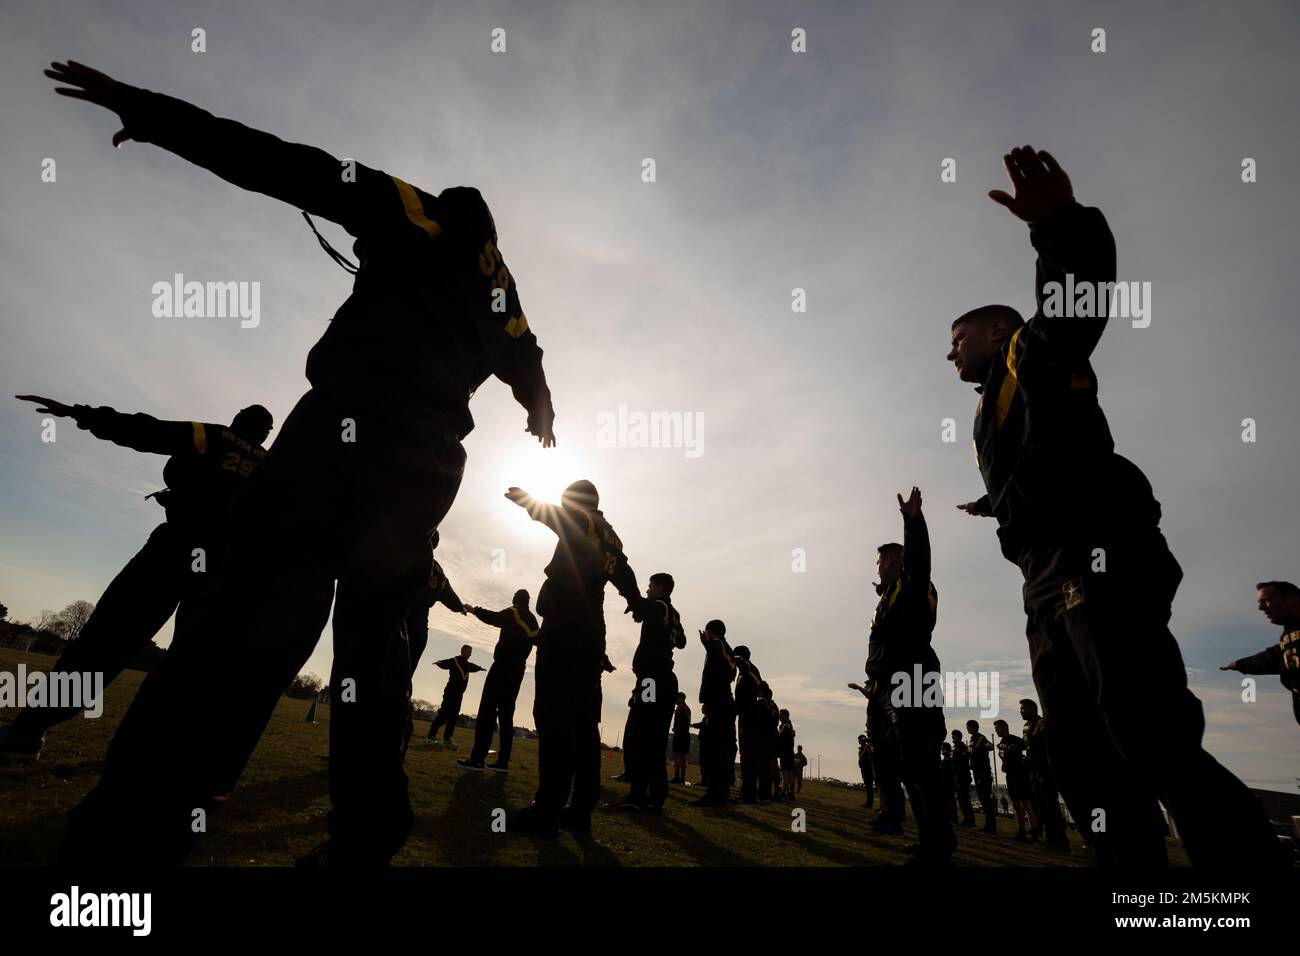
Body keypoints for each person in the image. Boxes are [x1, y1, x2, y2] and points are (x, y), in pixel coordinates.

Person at [46, 60, 556, 867]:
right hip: (428, 467)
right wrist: (540, 409)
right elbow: (528, 357)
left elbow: (286, 163)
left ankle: (131, 824)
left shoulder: (415, 210)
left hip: (346, 432)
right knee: (376, 654)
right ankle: (366, 835)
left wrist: (150, 113)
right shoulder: (502, 289)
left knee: (241, 614)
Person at [947, 144, 1282, 867]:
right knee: (1081, 755)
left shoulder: (1032, 353)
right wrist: (997, 501)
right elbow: (1040, 462)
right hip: (1042, 576)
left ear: (998, 330)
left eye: (958, 337)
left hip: (1096, 552)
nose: (950, 354)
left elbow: (1078, 299)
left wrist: (1060, 227)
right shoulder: (990, 412)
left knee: (1146, 729)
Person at [0, 397, 272, 764]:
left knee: (105, 640)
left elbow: (146, 430)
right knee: (194, 665)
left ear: (237, 420)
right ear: (267, 434)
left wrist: (81, 412)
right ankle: (153, 758)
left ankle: (27, 733)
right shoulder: (271, 466)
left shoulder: (210, 435)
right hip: (224, 569)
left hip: (175, 548)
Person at [503, 482, 639, 836]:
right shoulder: (610, 535)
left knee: (553, 717)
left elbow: (557, 517)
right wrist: (636, 600)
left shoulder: (581, 518)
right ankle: (580, 811)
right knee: (583, 725)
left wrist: (527, 502)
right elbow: (624, 571)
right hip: (593, 629)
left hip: (567, 622)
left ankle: (546, 810)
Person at [864, 487, 955, 864]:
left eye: (885, 562)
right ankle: (910, 827)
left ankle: (938, 844)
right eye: (880, 563)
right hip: (889, 682)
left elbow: (919, 563)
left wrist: (913, 522)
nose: (880, 567)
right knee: (896, 759)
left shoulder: (914, 584)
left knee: (920, 762)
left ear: (897, 562)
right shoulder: (888, 597)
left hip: (914, 677)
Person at [619, 573, 687, 812]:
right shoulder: (674, 614)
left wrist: (630, 596)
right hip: (665, 680)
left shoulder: (659, 606)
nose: (647, 589)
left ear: (659, 587)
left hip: (652, 681)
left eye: (650, 586)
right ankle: (656, 796)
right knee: (655, 741)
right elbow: (682, 642)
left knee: (641, 736)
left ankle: (638, 796)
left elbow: (643, 606)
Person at [456, 590, 539, 772]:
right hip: (518, 671)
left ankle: (478, 758)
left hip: (502, 667)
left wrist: (474, 610)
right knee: (506, 715)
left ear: (515, 599)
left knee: (487, 710)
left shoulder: (513, 612)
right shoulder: (533, 620)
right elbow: (539, 641)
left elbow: (494, 618)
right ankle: (503, 762)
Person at [398, 537, 466, 755]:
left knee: (380, 679)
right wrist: (460, 608)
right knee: (401, 682)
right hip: (420, 630)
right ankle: (399, 742)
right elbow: (450, 596)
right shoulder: (437, 570)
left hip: (401, 620)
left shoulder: (407, 556)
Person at [1220, 581, 1300, 727]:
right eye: (1259, 602)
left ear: (1292, 599)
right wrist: (1239, 664)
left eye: (1267, 600)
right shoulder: (1288, 636)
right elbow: (1271, 658)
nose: (1261, 607)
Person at [691, 620, 736, 808]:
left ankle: (714, 795)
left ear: (710, 631)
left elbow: (716, 660)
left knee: (715, 751)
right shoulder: (727, 649)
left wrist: (706, 644)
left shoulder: (717, 645)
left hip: (718, 701)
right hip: (724, 701)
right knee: (722, 752)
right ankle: (721, 793)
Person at [1020, 700, 1069, 851]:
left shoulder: (1042, 724)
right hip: (1033, 771)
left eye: (1023, 709)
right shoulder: (1027, 726)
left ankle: (1060, 842)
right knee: (1040, 807)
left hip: (1045, 772)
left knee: (1051, 807)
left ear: (1032, 709)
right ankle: (1050, 839)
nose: (1020, 711)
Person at [426, 646, 484, 746]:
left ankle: (447, 739)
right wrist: (439, 663)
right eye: (469, 652)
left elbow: (473, 667)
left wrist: (479, 668)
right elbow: (445, 663)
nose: (470, 654)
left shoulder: (467, 664)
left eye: (471, 652)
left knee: (453, 717)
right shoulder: (454, 660)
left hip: (459, 695)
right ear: (463, 651)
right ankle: (430, 736)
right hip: (450, 693)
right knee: (443, 715)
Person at [993, 718, 1036, 842]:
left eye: (997, 728)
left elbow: (1025, 744)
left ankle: (1034, 831)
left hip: (1019, 774)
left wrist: (1015, 747)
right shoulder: (1002, 742)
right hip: (1010, 775)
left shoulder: (1014, 739)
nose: (996, 731)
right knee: (1016, 804)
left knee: (1026, 803)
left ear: (1004, 727)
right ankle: (1021, 831)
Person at [733, 646, 763, 803]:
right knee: (746, 755)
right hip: (744, 714)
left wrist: (740, 662)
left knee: (748, 755)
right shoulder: (745, 671)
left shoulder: (749, 668)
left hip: (749, 716)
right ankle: (747, 791)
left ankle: (749, 794)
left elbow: (757, 684)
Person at [966, 720, 997, 834]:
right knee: (982, 798)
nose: (967, 729)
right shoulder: (972, 739)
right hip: (976, 770)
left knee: (985, 798)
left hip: (983, 771)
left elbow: (990, 746)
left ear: (972, 727)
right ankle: (988, 824)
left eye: (968, 727)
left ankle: (991, 826)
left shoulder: (980, 738)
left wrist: (985, 745)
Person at [949, 729, 976, 827]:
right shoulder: (954, 747)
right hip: (956, 776)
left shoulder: (962, 747)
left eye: (953, 736)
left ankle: (971, 820)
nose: (952, 738)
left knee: (965, 799)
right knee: (960, 799)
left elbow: (964, 760)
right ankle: (966, 818)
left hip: (962, 776)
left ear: (958, 737)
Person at [671, 693, 692, 784]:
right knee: (682, 757)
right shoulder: (687, 708)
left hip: (680, 735)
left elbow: (680, 722)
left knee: (677, 756)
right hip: (685, 735)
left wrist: (676, 728)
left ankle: (677, 777)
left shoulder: (681, 707)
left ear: (681, 698)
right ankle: (682, 778)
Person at [777, 710, 796, 802]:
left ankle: (785, 792)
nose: (779, 717)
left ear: (785, 716)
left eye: (781, 715)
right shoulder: (790, 726)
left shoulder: (785, 726)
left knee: (785, 774)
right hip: (790, 753)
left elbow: (780, 738)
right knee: (790, 774)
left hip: (785, 753)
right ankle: (791, 793)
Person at [938, 742, 958, 822]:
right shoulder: (945, 760)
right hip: (944, 782)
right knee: (947, 801)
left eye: (944, 749)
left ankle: (953, 817)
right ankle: (949, 815)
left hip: (949, 783)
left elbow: (952, 772)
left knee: (951, 800)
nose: (942, 751)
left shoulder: (950, 760)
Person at [857, 735, 875, 809]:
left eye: (859, 739)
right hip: (864, 769)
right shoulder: (863, 748)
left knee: (869, 786)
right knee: (868, 787)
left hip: (868, 769)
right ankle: (869, 802)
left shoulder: (867, 748)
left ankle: (869, 803)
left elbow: (863, 756)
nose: (858, 741)